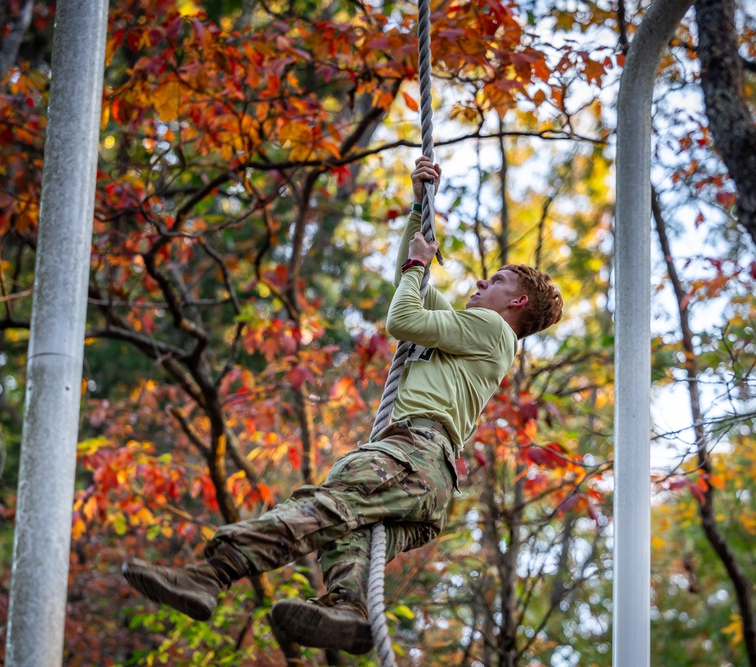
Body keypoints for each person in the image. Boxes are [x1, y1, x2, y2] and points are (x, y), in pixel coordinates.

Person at [122, 156, 564, 654]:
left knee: (323, 505)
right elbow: (408, 277)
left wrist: (420, 264)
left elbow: (403, 319)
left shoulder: (490, 329)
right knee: (343, 531)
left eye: (498, 280)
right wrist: (421, 207)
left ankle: (211, 573)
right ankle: (348, 609)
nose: (482, 283)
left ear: (518, 302)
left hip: (415, 456)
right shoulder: (476, 331)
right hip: (425, 476)